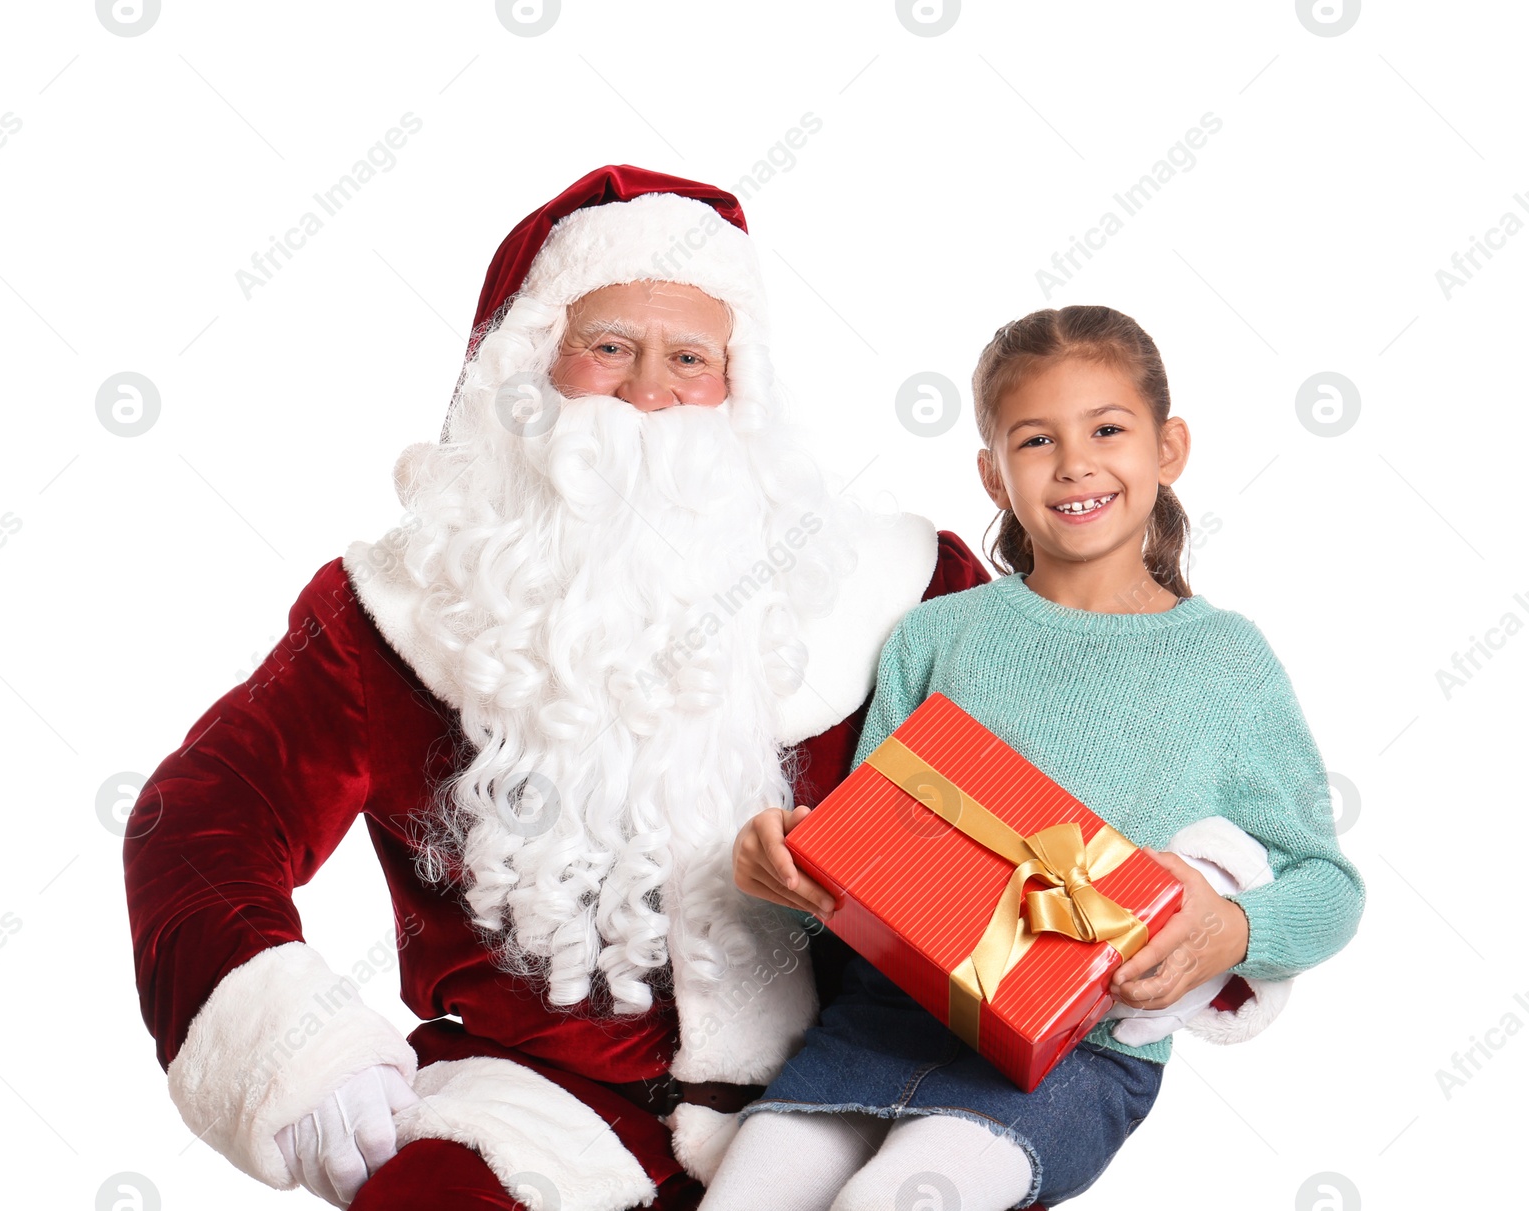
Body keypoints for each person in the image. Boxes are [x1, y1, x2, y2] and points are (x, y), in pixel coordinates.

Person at [121, 166, 993, 1211]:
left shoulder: (893, 586)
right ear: (530, 370)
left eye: (690, 358)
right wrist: (297, 1051)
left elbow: (1059, 787)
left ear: (739, 386)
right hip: (531, 1100)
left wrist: (1213, 928)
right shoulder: (394, 612)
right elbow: (199, 822)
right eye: (609, 347)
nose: (648, 390)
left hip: (847, 1089)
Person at [718, 304, 1365, 1210]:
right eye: (1035, 440)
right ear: (992, 474)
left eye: (1107, 428)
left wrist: (1233, 928)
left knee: (893, 1200)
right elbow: (865, 866)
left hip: (1080, 1054)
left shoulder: (1227, 663)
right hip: (881, 1024)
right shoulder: (936, 637)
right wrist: (785, 865)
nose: (1075, 462)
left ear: (1168, 447)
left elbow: (1328, 885)